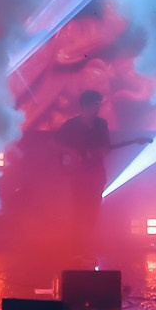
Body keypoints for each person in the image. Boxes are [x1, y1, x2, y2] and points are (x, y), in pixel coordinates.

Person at [55, 90, 111, 242]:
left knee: (94, 207)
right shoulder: (71, 125)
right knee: (79, 207)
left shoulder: (101, 124)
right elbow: (54, 144)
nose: (98, 107)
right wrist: (71, 153)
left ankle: (87, 241)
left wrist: (104, 149)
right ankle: (77, 243)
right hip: (78, 173)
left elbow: (106, 147)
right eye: (95, 104)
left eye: (98, 104)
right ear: (85, 105)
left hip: (96, 172)